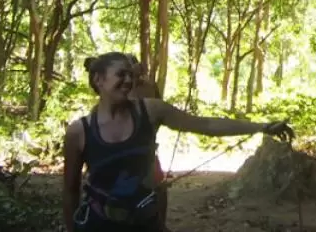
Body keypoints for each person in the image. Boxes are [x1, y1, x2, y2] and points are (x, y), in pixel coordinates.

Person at [63, 52, 293, 232]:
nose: (128, 81)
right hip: (100, 226)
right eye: (120, 75)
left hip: (146, 225)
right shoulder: (79, 132)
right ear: (98, 79)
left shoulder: (151, 111)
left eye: (130, 75)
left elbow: (207, 125)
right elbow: (70, 191)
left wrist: (262, 127)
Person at [126, 56, 169, 231]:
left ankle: (160, 226)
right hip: (120, 154)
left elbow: (158, 111)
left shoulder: (149, 87)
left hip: (147, 152)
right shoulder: (118, 87)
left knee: (160, 187)